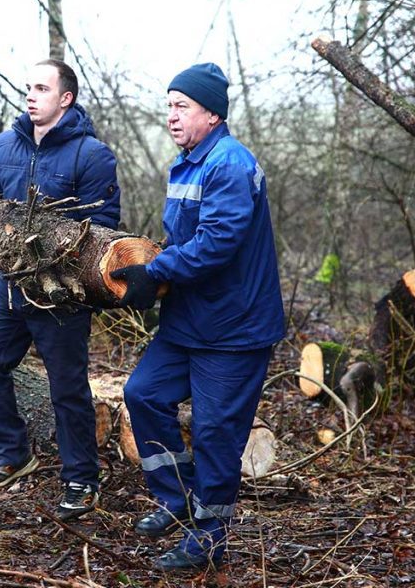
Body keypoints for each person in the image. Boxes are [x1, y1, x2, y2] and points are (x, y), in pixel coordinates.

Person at [111, 63, 285, 570]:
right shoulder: (188, 161)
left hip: (234, 328)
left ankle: (210, 536)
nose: (171, 115)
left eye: (181, 106)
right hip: (191, 321)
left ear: (211, 113)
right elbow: (187, 239)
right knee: (144, 394)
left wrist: (156, 270)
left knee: (215, 433)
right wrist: (154, 275)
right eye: (168, 105)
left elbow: (217, 243)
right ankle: (177, 498)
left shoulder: (228, 163)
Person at [0, 59, 119, 521]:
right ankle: (13, 453)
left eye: (41, 88)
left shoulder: (92, 155)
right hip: (10, 285)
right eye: (28, 88)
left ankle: (80, 479)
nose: (30, 95)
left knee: (67, 387)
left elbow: (104, 231)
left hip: (61, 294)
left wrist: (57, 255)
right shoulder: (4, 145)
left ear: (65, 98)